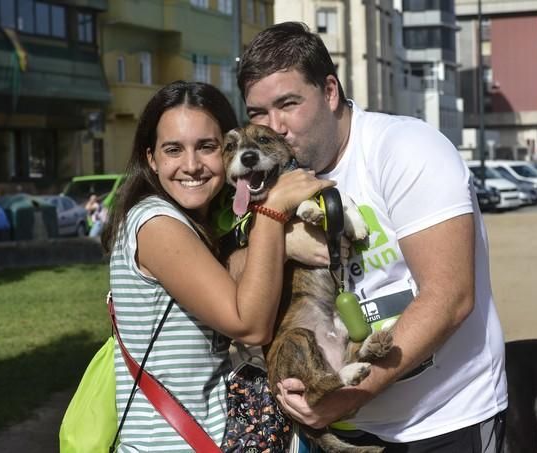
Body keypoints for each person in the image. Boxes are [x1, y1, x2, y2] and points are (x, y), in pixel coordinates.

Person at [236, 22, 508, 452]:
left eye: (288, 103)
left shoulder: (405, 149)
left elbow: (450, 298)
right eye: (257, 113)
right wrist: (278, 238)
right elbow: (231, 269)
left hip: (441, 421)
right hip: (343, 430)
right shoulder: (274, 180)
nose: (275, 127)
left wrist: (348, 395)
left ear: (329, 91)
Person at [100, 80, 333, 451]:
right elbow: (251, 325)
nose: (191, 166)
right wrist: (274, 213)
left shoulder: (201, 224)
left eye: (207, 147)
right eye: (173, 149)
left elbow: (238, 275)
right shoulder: (157, 224)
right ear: (151, 158)